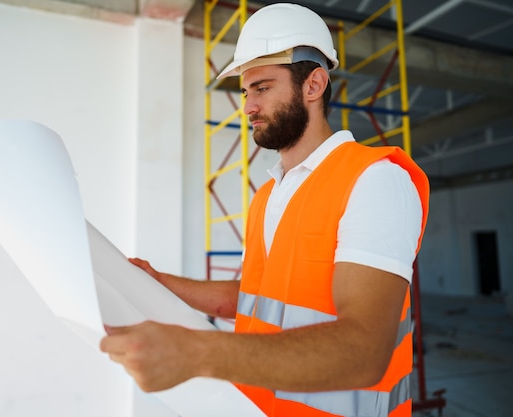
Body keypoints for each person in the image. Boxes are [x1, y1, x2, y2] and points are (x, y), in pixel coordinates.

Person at [100, 3, 429, 417]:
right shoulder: (269, 195)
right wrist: (157, 281)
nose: (248, 107)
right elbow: (255, 300)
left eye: (262, 87)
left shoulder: (374, 181)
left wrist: (199, 352)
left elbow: (365, 351)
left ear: (313, 85)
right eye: (246, 90)